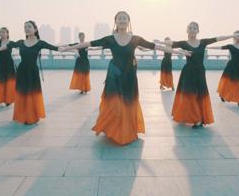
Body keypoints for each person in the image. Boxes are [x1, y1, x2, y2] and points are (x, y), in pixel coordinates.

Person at [61, 11, 192, 145]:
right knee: (114, 103)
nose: (122, 20)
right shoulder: (110, 38)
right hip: (114, 75)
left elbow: (157, 47)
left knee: (128, 103)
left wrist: (179, 52)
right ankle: (113, 129)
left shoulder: (136, 39)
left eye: (125, 18)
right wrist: (68, 48)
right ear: (116, 21)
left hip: (129, 75)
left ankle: (126, 129)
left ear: (128, 22)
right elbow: (88, 44)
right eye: (119, 18)